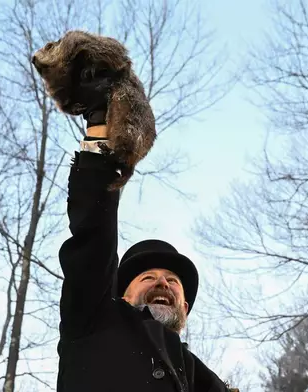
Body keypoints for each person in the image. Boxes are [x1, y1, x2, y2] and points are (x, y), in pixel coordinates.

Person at [55, 104, 231, 391]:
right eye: (148, 277)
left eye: (173, 281)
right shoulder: (94, 322)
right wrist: (102, 130)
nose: (162, 281)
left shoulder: (200, 378)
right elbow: (93, 242)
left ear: (184, 308)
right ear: (122, 297)